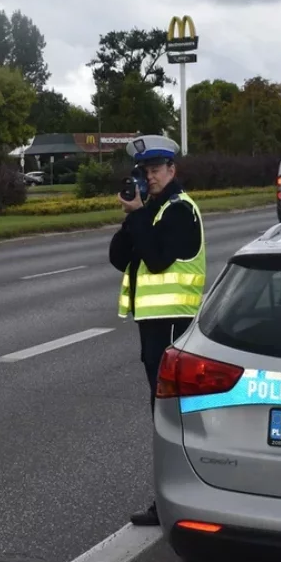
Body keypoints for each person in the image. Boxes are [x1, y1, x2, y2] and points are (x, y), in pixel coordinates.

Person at [108, 134, 206, 527]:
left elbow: (159, 260)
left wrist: (138, 217)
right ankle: (173, 496)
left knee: (170, 416)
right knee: (164, 413)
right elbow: (120, 258)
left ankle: (173, 499)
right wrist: (131, 215)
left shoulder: (180, 210)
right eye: (145, 171)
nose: (150, 177)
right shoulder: (155, 211)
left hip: (173, 326)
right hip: (155, 328)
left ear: (172, 170)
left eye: (155, 170)